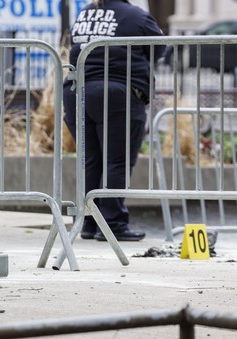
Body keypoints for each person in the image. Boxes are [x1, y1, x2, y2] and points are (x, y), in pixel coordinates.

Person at [63, 0, 163, 241]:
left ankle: (89, 222)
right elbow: (158, 49)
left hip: (77, 92)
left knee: (91, 161)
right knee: (117, 161)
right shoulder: (137, 16)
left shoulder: (87, 12)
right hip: (117, 93)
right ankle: (112, 223)